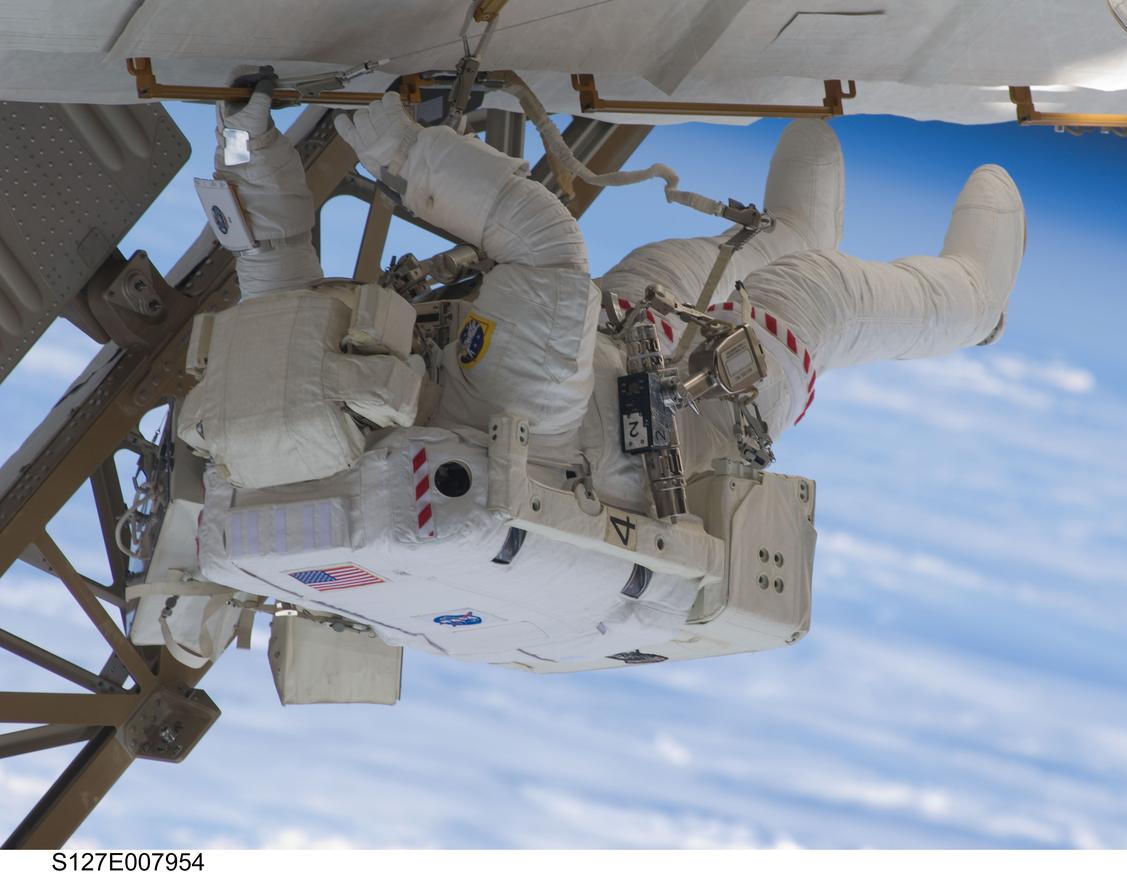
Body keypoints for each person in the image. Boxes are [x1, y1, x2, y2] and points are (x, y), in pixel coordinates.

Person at [178, 81, 1025, 664]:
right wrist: (395, 142)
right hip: (710, 403)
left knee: (692, 261)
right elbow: (546, 247)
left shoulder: (283, 419)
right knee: (820, 296)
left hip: (628, 348)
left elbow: (270, 265)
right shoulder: (509, 397)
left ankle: (798, 225)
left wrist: (245, 140)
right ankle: (977, 298)